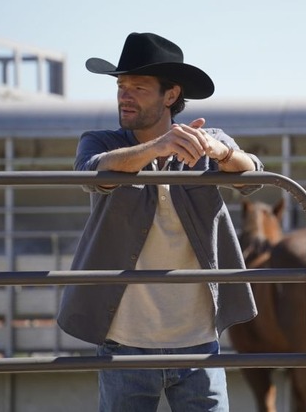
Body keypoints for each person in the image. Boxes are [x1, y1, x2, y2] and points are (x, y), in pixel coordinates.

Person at [57, 32, 263, 412]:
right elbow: (91, 175)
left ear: (170, 95)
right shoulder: (100, 142)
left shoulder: (207, 141)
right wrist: (157, 147)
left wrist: (220, 152)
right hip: (123, 343)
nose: (124, 95)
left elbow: (254, 175)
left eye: (138, 86)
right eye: (121, 86)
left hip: (199, 341)